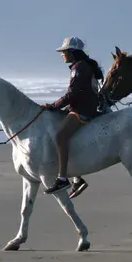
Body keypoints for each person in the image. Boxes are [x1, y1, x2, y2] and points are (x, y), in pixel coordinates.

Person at [41, 36, 105, 196]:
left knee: (60, 136)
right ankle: (77, 179)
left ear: (72, 52)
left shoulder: (79, 68)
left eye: (64, 52)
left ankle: (62, 179)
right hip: (84, 107)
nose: (62, 54)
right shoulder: (84, 66)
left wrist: (53, 105)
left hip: (82, 111)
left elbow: (72, 94)